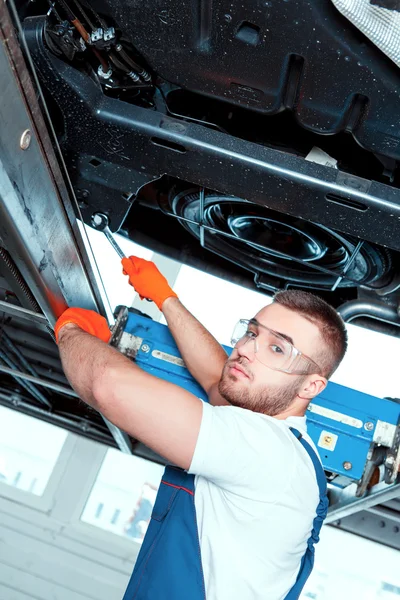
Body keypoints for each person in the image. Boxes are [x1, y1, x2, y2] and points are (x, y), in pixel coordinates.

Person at [54, 256, 348, 600]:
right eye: (252, 333)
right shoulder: (289, 449)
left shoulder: (265, 449)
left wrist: (69, 331)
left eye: (278, 348)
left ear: (311, 387)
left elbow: (108, 385)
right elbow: (215, 377)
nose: (245, 350)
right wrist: (166, 299)